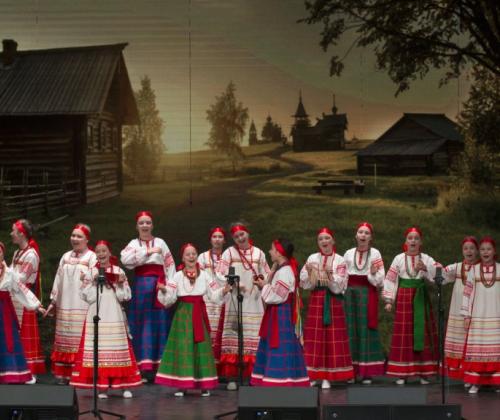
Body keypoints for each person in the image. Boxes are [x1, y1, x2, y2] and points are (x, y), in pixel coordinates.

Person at [155, 243, 231, 397]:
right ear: (183, 258)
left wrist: (223, 291)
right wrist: (163, 290)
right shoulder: (178, 275)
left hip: (198, 313)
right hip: (183, 314)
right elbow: (170, 296)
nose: (191, 256)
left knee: (201, 347)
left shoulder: (204, 275)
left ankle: (204, 385)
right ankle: (182, 385)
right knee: (183, 348)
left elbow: (213, 294)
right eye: (188, 254)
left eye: (194, 253)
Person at [70, 240, 142, 398]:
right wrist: (93, 283)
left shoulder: (118, 271)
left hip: (114, 313)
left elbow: (125, 296)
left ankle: (123, 385)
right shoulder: (91, 272)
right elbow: (87, 297)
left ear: (109, 253)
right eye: (98, 251)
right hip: (97, 313)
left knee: (118, 347)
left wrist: (120, 284)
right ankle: (102, 387)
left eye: (104, 251)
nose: (101, 254)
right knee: (100, 349)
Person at [120, 211, 176, 379]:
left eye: (148, 222)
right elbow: (126, 261)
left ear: (152, 225)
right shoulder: (133, 243)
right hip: (142, 288)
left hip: (159, 287)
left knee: (160, 323)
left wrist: (170, 286)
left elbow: (169, 265)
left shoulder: (161, 242)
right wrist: (148, 252)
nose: (145, 225)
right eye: (141, 223)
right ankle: (143, 366)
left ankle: (161, 366)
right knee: (143, 324)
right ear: (137, 226)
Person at [216, 223, 270, 390]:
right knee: (234, 336)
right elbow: (219, 272)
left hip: (254, 300)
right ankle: (232, 377)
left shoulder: (259, 253)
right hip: (235, 299)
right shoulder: (229, 253)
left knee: (252, 337)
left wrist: (262, 282)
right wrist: (233, 283)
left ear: (247, 233)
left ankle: (253, 376)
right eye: (236, 236)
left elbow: (267, 273)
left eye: (242, 234)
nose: (240, 238)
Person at [383, 227, 440, 385]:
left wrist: (426, 269)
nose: (413, 240)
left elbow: (438, 273)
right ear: (406, 241)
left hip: (420, 297)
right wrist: (389, 300)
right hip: (404, 298)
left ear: (420, 242)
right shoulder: (399, 258)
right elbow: (391, 279)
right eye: (410, 238)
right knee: (404, 334)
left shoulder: (426, 258)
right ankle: (402, 373)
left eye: (416, 238)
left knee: (422, 332)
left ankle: (423, 373)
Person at [250, 238, 309, 387]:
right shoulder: (283, 270)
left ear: (279, 252)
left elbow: (277, 295)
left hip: (281, 313)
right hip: (278, 312)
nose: (270, 252)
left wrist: (264, 286)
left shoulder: (285, 271)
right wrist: (265, 285)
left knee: (281, 345)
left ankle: (281, 379)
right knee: (277, 343)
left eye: (272, 249)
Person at [300, 227, 354, 389]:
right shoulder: (312, 258)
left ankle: (328, 376)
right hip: (317, 300)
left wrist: (329, 277)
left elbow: (339, 285)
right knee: (314, 339)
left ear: (333, 241)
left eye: (327, 238)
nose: (324, 241)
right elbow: (305, 282)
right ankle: (313, 375)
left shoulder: (340, 260)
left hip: (333, 302)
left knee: (332, 338)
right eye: (320, 239)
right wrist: (311, 274)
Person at [46, 224, 97, 384]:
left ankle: (81, 374)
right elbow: (58, 279)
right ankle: (65, 375)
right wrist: (53, 301)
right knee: (65, 339)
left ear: (87, 239)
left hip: (82, 305)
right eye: (73, 235)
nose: (75, 239)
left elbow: (95, 281)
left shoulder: (92, 257)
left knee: (80, 338)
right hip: (65, 304)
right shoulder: (66, 256)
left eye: (79, 236)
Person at [343, 222, 385, 384]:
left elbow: (381, 278)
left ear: (371, 237)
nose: (363, 235)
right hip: (349, 295)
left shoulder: (375, 254)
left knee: (365, 330)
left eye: (366, 233)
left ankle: (366, 372)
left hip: (367, 294)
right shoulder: (348, 253)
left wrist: (373, 274)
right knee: (350, 330)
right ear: (356, 235)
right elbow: (343, 274)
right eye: (360, 232)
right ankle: (350, 372)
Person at [0, 242, 46, 384]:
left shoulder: (9, 273)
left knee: (7, 339)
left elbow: (21, 290)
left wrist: (36, 305)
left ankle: (11, 373)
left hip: (4, 310)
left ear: (2, 254)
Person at [461, 236, 500, 394]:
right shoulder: (474, 270)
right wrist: (466, 315)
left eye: (488, 249)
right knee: (477, 349)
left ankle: (497, 382)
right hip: (478, 317)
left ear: (494, 251)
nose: (485, 252)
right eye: (482, 249)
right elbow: (467, 293)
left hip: (496, 317)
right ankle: (475, 381)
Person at [9, 219, 46, 382]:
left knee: (26, 334)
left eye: (13, 231)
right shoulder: (17, 253)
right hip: (14, 297)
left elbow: (20, 278)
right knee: (15, 334)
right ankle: (18, 369)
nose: (11, 234)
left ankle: (30, 371)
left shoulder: (31, 255)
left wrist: (5, 274)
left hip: (24, 299)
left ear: (22, 234)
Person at [443, 236, 479, 386]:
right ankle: (464, 374)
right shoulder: (457, 267)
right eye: (465, 248)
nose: (469, 251)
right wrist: (429, 269)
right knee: (460, 340)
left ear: (477, 251)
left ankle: (474, 374)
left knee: (473, 343)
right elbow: (442, 275)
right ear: (462, 251)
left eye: (472, 248)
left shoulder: (480, 268)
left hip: (475, 310)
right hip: (458, 310)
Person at [197, 227, 226, 364]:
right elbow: (199, 277)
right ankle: (207, 362)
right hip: (207, 298)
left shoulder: (228, 256)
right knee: (207, 329)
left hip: (224, 298)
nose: (217, 239)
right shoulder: (202, 257)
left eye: (220, 237)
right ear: (210, 239)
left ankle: (220, 363)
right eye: (214, 237)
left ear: (224, 240)